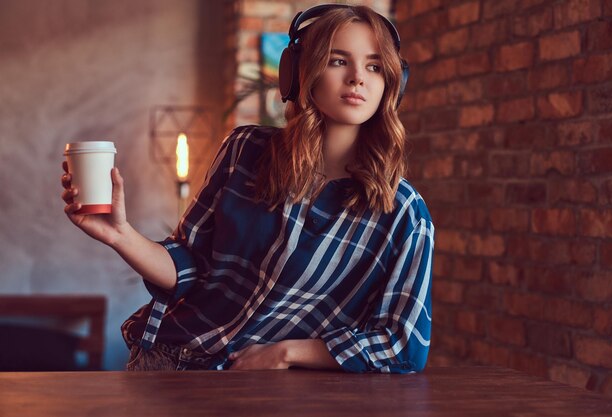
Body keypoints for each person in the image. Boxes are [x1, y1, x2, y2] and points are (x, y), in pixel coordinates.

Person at [61, 4, 434, 373]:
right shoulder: (246, 150)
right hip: (168, 362)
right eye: (338, 61)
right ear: (300, 73)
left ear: (392, 83)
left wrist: (288, 353)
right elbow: (187, 266)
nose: (357, 78)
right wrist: (120, 235)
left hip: (267, 387)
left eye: (373, 66)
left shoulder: (402, 212)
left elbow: (402, 345)